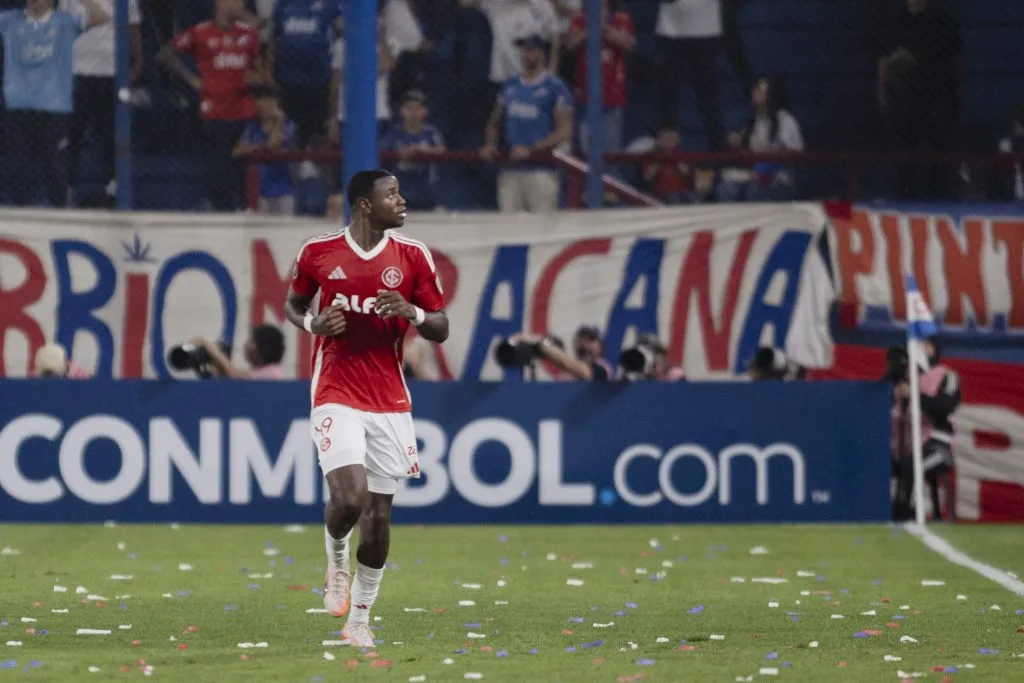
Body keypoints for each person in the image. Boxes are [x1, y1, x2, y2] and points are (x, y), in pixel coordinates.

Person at [284, 169, 448, 648]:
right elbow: (294, 305)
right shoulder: (318, 253)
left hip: (389, 397)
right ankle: (335, 557)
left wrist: (412, 312)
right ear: (364, 205)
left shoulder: (413, 256)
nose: (402, 200)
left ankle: (358, 621)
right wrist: (314, 323)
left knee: (378, 518)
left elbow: (440, 327)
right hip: (335, 386)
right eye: (391, 194)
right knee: (350, 500)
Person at [0, 0, 111, 207]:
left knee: (56, 169)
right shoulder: (9, 20)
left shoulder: (66, 22)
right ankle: (20, 218)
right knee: (18, 170)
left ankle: (60, 214)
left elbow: (102, 17)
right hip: (17, 107)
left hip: (54, 108)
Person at [160, 0, 266, 211]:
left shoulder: (248, 34)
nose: (239, 5)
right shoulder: (200, 32)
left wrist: (254, 79)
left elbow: (259, 68)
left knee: (244, 166)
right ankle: (222, 210)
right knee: (219, 167)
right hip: (215, 111)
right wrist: (192, 80)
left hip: (243, 110)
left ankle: (246, 209)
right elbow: (166, 54)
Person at [60, 0, 143, 208]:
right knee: (71, 136)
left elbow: (133, 28)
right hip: (76, 72)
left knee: (110, 136)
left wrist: (138, 61)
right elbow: (60, 26)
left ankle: (113, 192)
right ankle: (65, 191)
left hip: (111, 73)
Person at [481, 34, 573, 213]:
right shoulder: (510, 85)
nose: (525, 55)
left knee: (542, 225)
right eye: (524, 50)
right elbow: (493, 122)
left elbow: (565, 129)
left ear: (541, 54)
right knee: (509, 223)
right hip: (511, 165)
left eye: (531, 50)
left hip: (541, 168)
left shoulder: (554, 86)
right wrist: (490, 144)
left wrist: (534, 149)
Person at [891, 336, 960, 521]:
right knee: (881, 465)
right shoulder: (905, 377)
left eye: (925, 346)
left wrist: (914, 394)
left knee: (910, 466)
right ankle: (889, 514)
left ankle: (904, 518)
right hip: (906, 444)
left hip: (939, 446)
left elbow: (943, 407)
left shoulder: (948, 376)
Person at [234, 87, 298, 215]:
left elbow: (274, 144)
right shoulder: (253, 127)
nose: (263, 106)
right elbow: (238, 151)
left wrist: (279, 120)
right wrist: (260, 147)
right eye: (260, 101)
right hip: (260, 189)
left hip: (283, 188)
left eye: (268, 102)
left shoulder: (288, 125)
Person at [380, 90, 445, 211]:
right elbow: (384, 150)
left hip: (426, 188)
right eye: (409, 108)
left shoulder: (430, 132)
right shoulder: (395, 132)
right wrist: (400, 153)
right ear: (402, 111)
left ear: (425, 111)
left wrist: (420, 151)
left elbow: (441, 150)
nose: (413, 112)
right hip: (401, 187)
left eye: (418, 108)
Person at [190, 324, 286, 379]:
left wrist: (208, 346)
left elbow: (233, 373)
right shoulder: (259, 372)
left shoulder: (272, 373)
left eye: (252, 341)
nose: (246, 346)